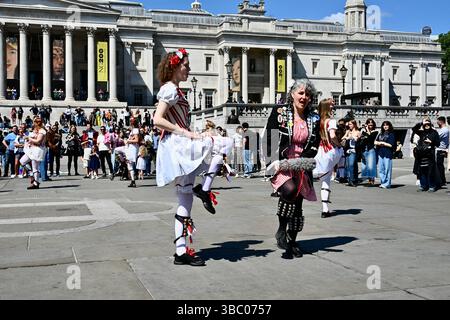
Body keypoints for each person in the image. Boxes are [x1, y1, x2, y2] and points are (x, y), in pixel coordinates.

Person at [153, 48, 233, 267]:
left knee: (184, 200)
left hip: (178, 145)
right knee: (226, 142)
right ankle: (205, 189)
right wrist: (187, 133)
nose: (188, 69)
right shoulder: (169, 89)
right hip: (177, 145)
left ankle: (180, 251)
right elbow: (157, 120)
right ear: (175, 67)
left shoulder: (176, 90)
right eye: (186, 65)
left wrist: (195, 134)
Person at [266, 79, 320, 259]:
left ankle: (292, 240)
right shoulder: (280, 112)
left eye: (307, 94)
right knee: (289, 190)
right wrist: (271, 162)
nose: (304, 97)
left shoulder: (313, 117)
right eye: (301, 93)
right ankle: (282, 228)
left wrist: (306, 159)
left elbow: (315, 143)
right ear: (292, 94)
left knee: (298, 204)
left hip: (302, 163)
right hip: (281, 163)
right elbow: (270, 138)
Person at [313, 98, 344, 218]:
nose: (333, 108)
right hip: (329, 150)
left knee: (325, 181)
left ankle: (325, 209)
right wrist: (339, 144)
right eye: (331, 106)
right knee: (342, 152)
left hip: (320, 151)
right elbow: (332, 136)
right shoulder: (331, 121)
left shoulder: (318, 121)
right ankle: (341, 173)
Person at [412, 118, 441, 192]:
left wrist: (431, 141)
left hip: (430, 154)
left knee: (430, 171)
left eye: (428, 124)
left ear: (431, 124)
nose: (426, 125)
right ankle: (423, 186)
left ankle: (432, 186)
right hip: (421, 154)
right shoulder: (422, 132)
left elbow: (438, 143)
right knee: (422, 171)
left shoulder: (434, 132)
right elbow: (414, 129)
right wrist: (421, 123)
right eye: (425, 124)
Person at [20, 117, 47, 189]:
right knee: (22, 161)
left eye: (34, 122)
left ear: (37, 123)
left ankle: (36, 183)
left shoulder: (42, 131)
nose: (33, 124)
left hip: (37, 150)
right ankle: (31, 175)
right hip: (31, 149)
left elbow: (38, 141)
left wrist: (29, 138)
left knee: (35, 167)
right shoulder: (35, 130)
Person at [374, 121, 396, 189]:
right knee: (381, 169)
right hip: (380, 153)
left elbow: (391, 144)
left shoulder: (391, 134)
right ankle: (383, 182)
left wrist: (382, 143)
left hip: (387, 153)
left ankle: (387, 183)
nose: (385, 126)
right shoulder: (380, 134)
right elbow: (375, 142)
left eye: (387, 125)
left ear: (389, 126)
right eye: (384, 125)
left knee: (387, 169)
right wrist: (381, 143)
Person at [341, 119, 361, 187]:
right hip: (347, 150)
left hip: (354, 150)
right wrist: (347, 137)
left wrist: (352, 137)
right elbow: (342, 138)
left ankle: (352, 180)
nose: (349, 126)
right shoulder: (348, 131)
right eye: (349, 124)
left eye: (350, 124)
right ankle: (350, 179)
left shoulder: (358, 132)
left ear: (354, 124)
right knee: (348, 165)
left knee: (352, 165)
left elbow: (358, 140)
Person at [360, 119, 378, 185]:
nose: (370, 126)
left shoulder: (375, 132)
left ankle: (372, 180)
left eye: (371, 125)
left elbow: (370, 139)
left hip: (371, 149)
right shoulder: (363, 132)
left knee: (371, 165)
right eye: (369, 124)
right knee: (366, 165)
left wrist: (367, 131)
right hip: (364, 149)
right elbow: (362, 141)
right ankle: (369, 179)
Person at [435, 117, 449, 188]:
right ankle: (441, 180)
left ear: (441, 122)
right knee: (439, 166)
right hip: (441, 149)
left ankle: (442, 181)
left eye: (437, 122)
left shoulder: (444, 130)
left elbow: (436, 137)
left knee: (439, 166)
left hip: (440, 150)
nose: (437, 123)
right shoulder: (444, 129)